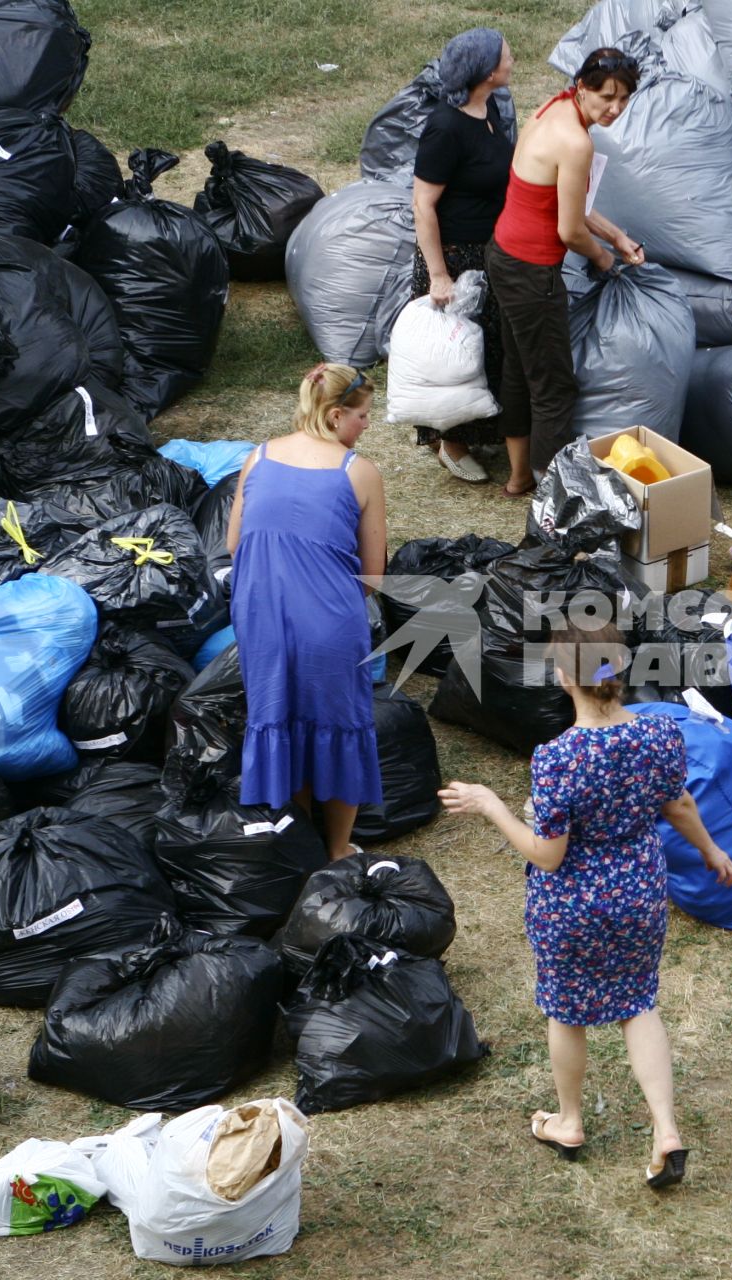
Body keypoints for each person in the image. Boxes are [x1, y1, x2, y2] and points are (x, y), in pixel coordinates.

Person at [438, 622, 732, 1190]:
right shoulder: (659, 734)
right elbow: (677, 803)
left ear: (563, 678)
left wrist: (490, 805)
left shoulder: (557, 757)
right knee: (638, 1003)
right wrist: (712, 850)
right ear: (618, 673)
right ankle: (666, 1130)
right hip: (640, 892)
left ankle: (569, 1122)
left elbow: (547, 857)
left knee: (567, 1010)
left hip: (572, 903)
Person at [226, 363, 386, 860]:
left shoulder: (257, 457)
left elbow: (235, 547)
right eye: (362, 416)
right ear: (336, 415)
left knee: (280, 719)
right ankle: (337, 849)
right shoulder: (358, 472)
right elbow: (374, 576)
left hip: (260, 619)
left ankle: (298, 837)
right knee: (339, 728)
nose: (366, 426)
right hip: (329, 623)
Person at [485, 47, 647, 498]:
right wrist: (602, 258)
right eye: (606, 97)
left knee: (520, 370)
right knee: (555, 387)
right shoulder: (578, 143)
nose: (614, 109)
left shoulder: (552, 108)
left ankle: (519, 478)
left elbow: (570, 201)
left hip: (503, 254)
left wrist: (615, 236)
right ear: (582, 88)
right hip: (531, 272)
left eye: (623, 99)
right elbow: (570, 229)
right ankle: (551, 497)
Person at [412, 27, 516, 486]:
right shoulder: (446, 126)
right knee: (451, 356)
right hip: (454, 259)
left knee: (482, 350)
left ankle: (475, 430)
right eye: (505, 53)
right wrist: (438, 274)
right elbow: (423, 205)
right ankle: (447, 441)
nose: (512, 57)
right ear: (486, 70)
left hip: (487, 252)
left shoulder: (488, 108)